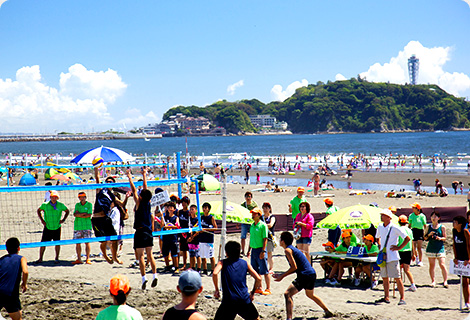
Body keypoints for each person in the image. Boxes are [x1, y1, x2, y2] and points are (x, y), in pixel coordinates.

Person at [274, 231, 334, 320]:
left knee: (288, 294)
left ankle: (289, 318)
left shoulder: (288, 250)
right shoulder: (292, 248)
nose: (279, 241)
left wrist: (281, 276)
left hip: (305, 274)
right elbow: (296, 267)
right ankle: (327, 311)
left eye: (280, 239)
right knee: (310, 295)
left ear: (283, 241)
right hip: (311, 273)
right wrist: (281, 275)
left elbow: (294, 267)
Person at [212, 241, 261, 320]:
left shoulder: (222, 262)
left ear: (226, 253)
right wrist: (253, 292)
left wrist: (217, 289)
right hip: (243, 299)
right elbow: (258, 278)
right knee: (256, 318)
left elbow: (214, 273)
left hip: (229, 301)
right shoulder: (245, 263)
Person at [127, 169, 158, 290]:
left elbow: (135, 190)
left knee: (140, 256)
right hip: (148, 232)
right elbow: (145, 188)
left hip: (140, 231)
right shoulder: (148, 202)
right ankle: (155, 275)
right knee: (150, 255)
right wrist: (144, 174)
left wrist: (130, 177)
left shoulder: (139, 203)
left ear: (140, 196)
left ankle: (144, 278)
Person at [375, 209, 410, 306]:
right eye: (382, 215)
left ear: (389, 217)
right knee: (385, 277)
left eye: (384, 215)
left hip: (393, 257)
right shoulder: (380, 226)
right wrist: (380, 247)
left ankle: (402, 298)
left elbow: (407, 238)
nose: (382, 216)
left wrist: (399, 247)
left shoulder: (394, 227)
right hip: (384, 256)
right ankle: (386, 297)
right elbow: (377, 237)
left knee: (397, 278)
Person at [92, 167, 126, 264]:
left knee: (114, 239)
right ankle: (105, 256)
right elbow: (97, 178)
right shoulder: (101, 190)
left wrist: (127, 196)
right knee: (103, 241)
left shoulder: (112, 195)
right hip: (96, 219)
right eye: (107, 181)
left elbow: (122, 204)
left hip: (105, 219)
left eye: (111, 182)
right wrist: (96, 169)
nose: (109, 183)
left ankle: (114, 257)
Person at [36, 190, 70, 263]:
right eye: (52, 197)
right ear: (50, 197)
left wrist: (63, 219)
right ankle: (40, 258)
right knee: (43, 243)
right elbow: (38, 210)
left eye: (55, 197)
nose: (54, 199)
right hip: (48, 227)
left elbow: (67, 211)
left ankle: (57, 258)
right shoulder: (45, 205)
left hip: (57, 227)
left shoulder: (60, 205)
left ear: (57, 198)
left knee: (57, 243)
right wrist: (42, 220)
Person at [0, 238, 28, 320]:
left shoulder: (1, 259)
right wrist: (24, 283)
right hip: (10, 293)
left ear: (6, 248)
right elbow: (25, 272)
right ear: (18, 248)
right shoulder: (22, 258)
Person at [247, 208, 271, 295]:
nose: (253, 215)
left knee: (264, 270)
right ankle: (259, 287)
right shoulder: (252, 226)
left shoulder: (263, 225)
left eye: (255, 214)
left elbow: (265, 239)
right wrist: (249, 250)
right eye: (252, 214)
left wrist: (263, 251)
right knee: (255, 271)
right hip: (254, 249)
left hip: (260, 249)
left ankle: (268, 288)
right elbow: (251, 239)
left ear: (259, 215)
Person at [424, 211, 448, 288]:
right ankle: (433, 281)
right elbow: (425, 237)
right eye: (432, 217)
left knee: (442, 264)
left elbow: (445, 238)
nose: (433, 218)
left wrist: (439, 238)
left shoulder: (442, 227)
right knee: (432, 265)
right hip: (431, 248)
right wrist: (429, 234)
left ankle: (445, 281)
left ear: (439, 218)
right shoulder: (428, 227)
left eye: (435, 216)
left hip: (440, 248)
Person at [452, 215, 470, 309]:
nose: (453, 223)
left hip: (467, 258)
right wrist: (456, 257)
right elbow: (454, 244)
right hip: (460, 259)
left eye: (455, 222)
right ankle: (467, 302)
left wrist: (469, 259)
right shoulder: (454, 231)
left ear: (460, 223)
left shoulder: (465, 232)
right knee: (464, 281)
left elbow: (469, 245)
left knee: (467, 281)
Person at [397, 215, 417, 292]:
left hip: (400, 251)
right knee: (407, 270)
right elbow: (412, 242)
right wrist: (414, 253)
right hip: (408, 251)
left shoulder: (398, 229)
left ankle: (400, 284)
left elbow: (397, 241)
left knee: (399, 270)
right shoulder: (409, 230)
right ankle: (413, 284)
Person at [196, 202, 217, 275]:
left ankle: (212, 270)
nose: (204, 209)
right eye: (203, 208)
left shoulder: (211, 217)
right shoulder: (201, 217)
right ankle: (204, 270)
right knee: (202, 256)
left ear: (209, 209)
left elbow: (215, 228)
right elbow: (198, 226)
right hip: (202, 239)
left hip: (209, 239)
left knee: (211, 256)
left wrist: (206, 229)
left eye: (206, 208)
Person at [72, 192, 93, 265]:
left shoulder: (89, 204)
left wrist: (79, 214)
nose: (82, 198)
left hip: (87, 226)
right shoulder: (77, 205)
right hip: (78, 226)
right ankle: (79, 259)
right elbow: (75, 214)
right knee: (78, 243)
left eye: (83, 196)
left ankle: (87, 258)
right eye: (80, 197)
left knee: (87, 243)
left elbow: (89, 215)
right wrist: (83, 214)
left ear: (85, 197)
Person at [161, 201, 180, 273]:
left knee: (174, 253)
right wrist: (164, 223)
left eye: (171, 208)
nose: (170, 209)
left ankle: (176, 267)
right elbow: (162, 225)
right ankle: (167, 267)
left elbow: (177, 226)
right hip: (166, 237)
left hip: (173, 237)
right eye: (169, 207)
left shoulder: (176, 218)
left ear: (174, 209)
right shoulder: (165, 217)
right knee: (165, 253)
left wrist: (170, 226)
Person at [240, 192, 258, 256]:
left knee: (252, 236)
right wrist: (238, 222)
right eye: (247, 196)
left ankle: (249, 251)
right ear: (245, 197)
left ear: (251, 197)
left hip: (251, 222)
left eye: (249, 196)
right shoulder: (243, 204)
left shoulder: (254, 204)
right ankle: (243, 251)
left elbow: (256, 212)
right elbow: (240, 213)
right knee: (243, 237)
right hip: (244, 222)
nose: (248, 198)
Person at [409, 202, 426, 266]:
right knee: (414, 247)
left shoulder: (422, 216)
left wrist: (426, 233)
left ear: (417, 209)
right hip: (413, 231)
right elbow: (410, 225)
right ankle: (416, 257)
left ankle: (420, 260)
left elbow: (425, 225)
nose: (412, 209)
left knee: (419, 247)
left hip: (420, 231)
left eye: (414, 208)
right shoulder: (411, 215)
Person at [261, 202, 276, 272]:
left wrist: (262, 225)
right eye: (264, 208)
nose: (265, 209)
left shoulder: (272, 217)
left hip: (269, 237)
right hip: (262, 237)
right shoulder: (261, 217)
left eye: (266, 208)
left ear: (269, 209)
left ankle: (271, 268)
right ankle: (264, 267)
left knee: (269, 253)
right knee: (263, 252)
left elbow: (270, 225)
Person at [187, 204, 202, 271]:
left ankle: (198, 268)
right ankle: (192, 267)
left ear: (196, 210)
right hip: (190, 238)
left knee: (197, 255)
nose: (191, 211)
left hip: (196, 238)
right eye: (190, 209)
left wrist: (192, 237)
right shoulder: (189, 219)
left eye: (193, 209)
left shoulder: (197, 219)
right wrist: (189, 237)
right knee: (191, 254)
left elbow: (197, 230)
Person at [178, 196, 191, 271]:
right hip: (181, 232)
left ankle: (191, 265)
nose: (183, 204)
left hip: (188, 232)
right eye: (183, 202)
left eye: (185, 202)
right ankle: (184, 265)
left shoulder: (189, 212)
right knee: (183, 250)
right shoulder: (179, 212)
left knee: (191, 249)